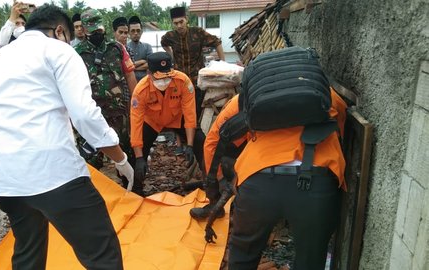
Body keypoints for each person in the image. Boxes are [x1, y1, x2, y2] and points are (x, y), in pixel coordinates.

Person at [0, 4, 132, 270]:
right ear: (60, 31)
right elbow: (83, 114)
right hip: (55, 174)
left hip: (8, 182)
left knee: (27, 253)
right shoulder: (59, 50)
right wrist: (119, 158)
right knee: (101, 254)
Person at [202, 89, 347, 269]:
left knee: (244, 252)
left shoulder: (247, 97)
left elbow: (212, 142)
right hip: (316, 179)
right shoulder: (323, 90)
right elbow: (341, 121)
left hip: (258, 180)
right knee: (311, 255)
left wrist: (217, 186)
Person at [74, 9, 137, 182]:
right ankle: (94, 195)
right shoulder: (76, 53)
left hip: (118, 111)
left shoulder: (117, 48)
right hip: (92, 115)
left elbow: (130, 75)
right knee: (91, 159)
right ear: (85, 29)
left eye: (99, 29)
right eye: (92, 29)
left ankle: (131, 188)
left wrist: (135, 103)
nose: (96, 33)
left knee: (125, 153)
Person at [130, 52, 201, 195]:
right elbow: (136, 123)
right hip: (152, 121)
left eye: (168, 76)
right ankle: (135, 189)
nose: (165, 81)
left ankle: (211, 181)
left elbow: (190, 114)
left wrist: (190, 145)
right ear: (149, 73)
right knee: (134, 153)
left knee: (202, 141)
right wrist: (139, 158)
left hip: (177, 117)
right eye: (160, 78)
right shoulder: (140, 90)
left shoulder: (183, 81)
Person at [161, 6, 225, 119]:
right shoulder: (170, 36)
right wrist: (171, 56)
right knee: (180, 114)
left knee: (197, 112)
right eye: (176, 23)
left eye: (181, 22)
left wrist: (223, 64)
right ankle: (181, 136)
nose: (179, 26)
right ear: (172, 23)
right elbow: (163, 43)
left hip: (197, 82)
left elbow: (216, 42)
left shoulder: (197, 32)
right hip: (179, 81)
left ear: (186, 19)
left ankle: (196, 135)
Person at [127, 15, 153, 82]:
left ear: (141, 32)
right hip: (131, 83)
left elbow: (150, 64)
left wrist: (133, 67)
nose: (136, 33)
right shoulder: (124, 48)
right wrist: (143, 61)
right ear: (129, 32)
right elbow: (125, 66)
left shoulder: (148, 47)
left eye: (138, 31)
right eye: (133, 31)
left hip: (146, 82)